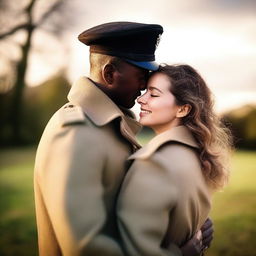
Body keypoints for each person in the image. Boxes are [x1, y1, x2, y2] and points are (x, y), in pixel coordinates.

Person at [34, 22, 213, 256]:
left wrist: (188, 222)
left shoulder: (106, 124)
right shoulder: (74, 131)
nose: (143, 88)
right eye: (141, 76)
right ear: (109, 73)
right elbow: (85, 247)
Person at [117, 64, 232, 256]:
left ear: (183, 109)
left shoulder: (154, 163)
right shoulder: (200, 156)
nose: (140, 99)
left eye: (153, 95)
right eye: (145, 92)